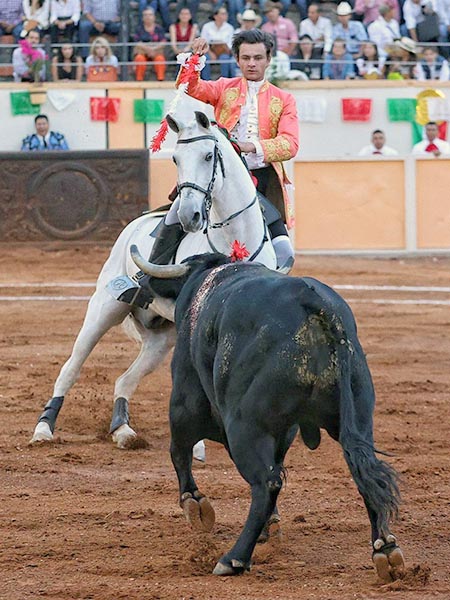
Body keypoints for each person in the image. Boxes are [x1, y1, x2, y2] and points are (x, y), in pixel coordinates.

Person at [114, 30, 299, 307]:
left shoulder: (283, 99)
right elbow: (188, 87)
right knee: (178, 212)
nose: (252, 63)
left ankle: (276, 290)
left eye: (258, 58)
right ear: (237, 59)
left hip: (260, 179)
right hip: (217, 176)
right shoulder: (225, 87)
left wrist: (251, 147)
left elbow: (290, 144)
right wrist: (193, 58)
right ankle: (145, 281)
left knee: (281, 242)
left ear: (268, 59)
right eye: (246, 57)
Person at [200, 7, 235, 80]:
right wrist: (210, 53)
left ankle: (224, 81)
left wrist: (224, 48)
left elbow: (230, 44)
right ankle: (206, 81)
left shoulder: (229, 27)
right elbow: (203, 42)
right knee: (205, 59)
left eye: (225, 13)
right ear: (215, 16)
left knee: (225, 58)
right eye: (222, 14)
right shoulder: (207, 26)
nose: (225, 15)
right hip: (209, 50)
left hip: (224, 51)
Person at [133, 6, 166, 81]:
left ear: (154, 17)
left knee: (160, 59)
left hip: (156, 52)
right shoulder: (139, 29)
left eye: (150, 15)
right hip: (142, 52)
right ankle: (139, 80)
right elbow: (137, 42)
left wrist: (153, 49)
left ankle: (160, 80)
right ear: (142, 17)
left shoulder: (159, 29)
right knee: (139, 58)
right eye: (145, 15)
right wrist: (148, 49)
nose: (148, 17)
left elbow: (163, 42)